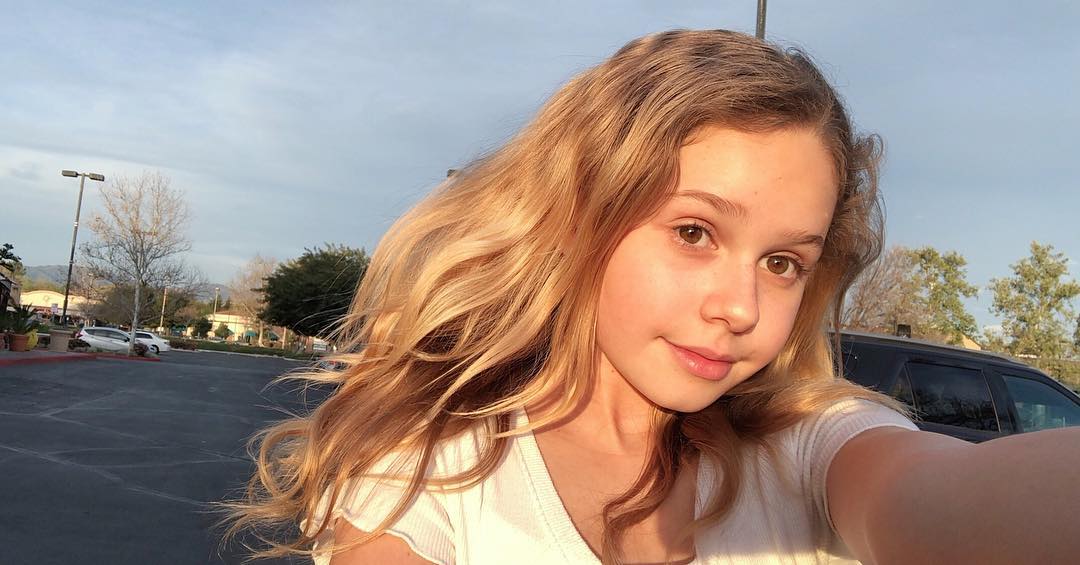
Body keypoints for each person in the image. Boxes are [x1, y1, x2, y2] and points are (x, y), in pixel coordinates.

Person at [221, 29, 1079, 564]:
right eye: (695, 232)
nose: (741, 307)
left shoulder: (810, 451)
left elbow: (941, 503)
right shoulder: (436, 464)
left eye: (783, 262)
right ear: (579, 217)